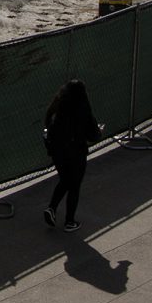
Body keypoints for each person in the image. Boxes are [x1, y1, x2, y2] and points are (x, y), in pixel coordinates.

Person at [43, 79, 104, 233]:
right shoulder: (83, 109)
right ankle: (69, 221)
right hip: (76, 152)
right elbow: (93, 134)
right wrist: (99, 131)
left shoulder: (56, 107)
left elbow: (48, 125)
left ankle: (52, 208)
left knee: (65, 180)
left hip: (57, 152)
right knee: (74, 186)